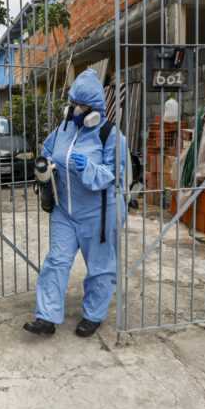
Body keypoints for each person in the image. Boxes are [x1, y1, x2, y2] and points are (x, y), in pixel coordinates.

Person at [23, 69, 127, 338]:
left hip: (98, 214)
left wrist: (90, 168)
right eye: (73, 103)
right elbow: (47, 151)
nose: (75, 109)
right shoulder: (64, 129)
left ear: (94, 109)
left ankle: (93, 315)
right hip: (65, 211)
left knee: (100, 267)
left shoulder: (110, 134)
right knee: (55, 262)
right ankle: (46, 317)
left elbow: (116, 175)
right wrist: (47, 168)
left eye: (81, 105)